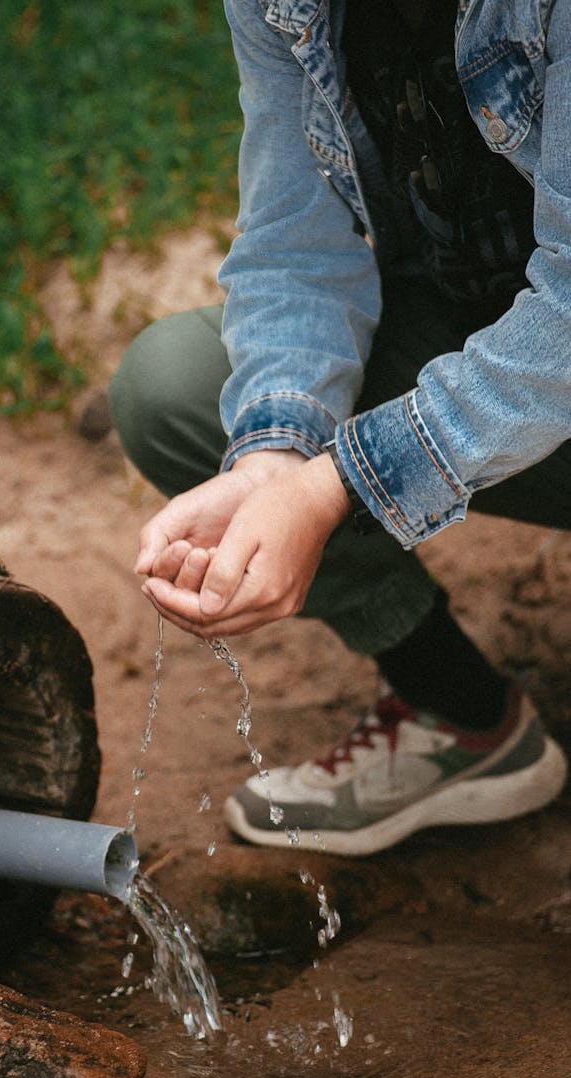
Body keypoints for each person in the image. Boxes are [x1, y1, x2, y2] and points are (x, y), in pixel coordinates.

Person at [109, 0, 570, 856]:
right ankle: (464, 721)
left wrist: (339, 483)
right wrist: (272, 462)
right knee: (180, 387)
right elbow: (298, 242)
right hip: (488, 331)